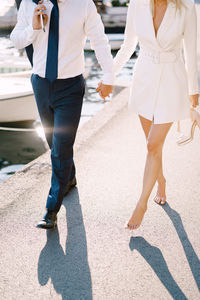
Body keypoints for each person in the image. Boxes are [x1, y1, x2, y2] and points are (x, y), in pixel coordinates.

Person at [10, 0, 113, 229]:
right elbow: (16, 39)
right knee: (53, 143)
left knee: (61, 146)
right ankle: (70, 177)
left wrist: (109, 76)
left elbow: (99, 40)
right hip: (41, 85)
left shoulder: (83, 5)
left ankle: (51, 208)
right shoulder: (30, 3)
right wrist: (33, 28)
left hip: (70, 87)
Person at [109, 0, 199, 229]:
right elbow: (128, 45)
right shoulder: (136, 4)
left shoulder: (187, 8)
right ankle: (161, 181)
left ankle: (141, 204)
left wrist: (194, 96)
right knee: (153, 146)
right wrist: (109, 76)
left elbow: (191, 54)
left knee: (152, 145)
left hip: (172, 81)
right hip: (144, 80)